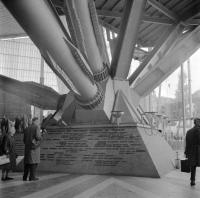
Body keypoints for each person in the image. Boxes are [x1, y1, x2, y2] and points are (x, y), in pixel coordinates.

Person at [23, 117, 42, 181]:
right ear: (36, 121)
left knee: (27, 163)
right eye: (38, 121)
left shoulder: (26, 128)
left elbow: (24, 140)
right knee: (34, 163)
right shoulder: (36, 127)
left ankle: (24, 177)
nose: (39, 123)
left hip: (27, 149)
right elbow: (38, 137)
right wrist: (42, 135)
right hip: (34, 148)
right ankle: (32, 177)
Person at [185, 118, 200, 186]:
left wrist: (186, 152)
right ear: (197, 123)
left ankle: (192, 181)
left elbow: (187, 143)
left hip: (191, 151)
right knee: (193, 166)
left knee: (193, 166)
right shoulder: (199, 130)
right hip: (198, 151)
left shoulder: (188, 131)